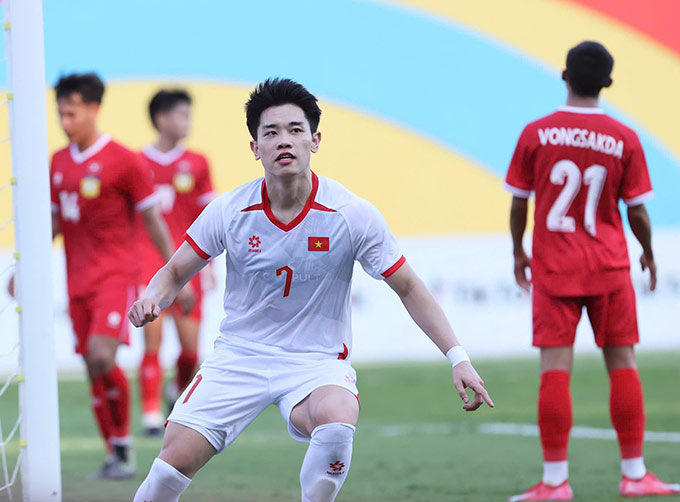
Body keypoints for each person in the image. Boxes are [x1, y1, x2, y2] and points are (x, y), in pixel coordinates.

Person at [130, 78, 494, 502]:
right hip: (239, 357)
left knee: (338, 419)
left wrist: (458, 357)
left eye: (295, 130)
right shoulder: (230, 210)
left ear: (315, 140)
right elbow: (175, 271)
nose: (284, 140)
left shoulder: (350, 213)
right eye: (271, 132)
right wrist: (153, 297)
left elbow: (409, 287)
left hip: (315, 362)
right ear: (255, 148)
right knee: (170, 466)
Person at [505, 42, 680, 501]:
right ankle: (635, 474)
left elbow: (520, 202)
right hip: (608, 266)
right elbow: (637, 210)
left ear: (564, 76)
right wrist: (648, 252)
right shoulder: (625, 137)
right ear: (608, 83)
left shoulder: (536, 133)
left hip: (554, 267)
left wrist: (518, 251)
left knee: (554, 371)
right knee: (622, 364)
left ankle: (555, 482)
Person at [49, 73, 194, 479]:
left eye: (72, 113)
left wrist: (176, 274)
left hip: (116, 276)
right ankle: (117, 450)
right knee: (90, 364)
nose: (65, 121)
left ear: (94, 109)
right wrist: (22, 270)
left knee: (101, 355)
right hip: (76, 281)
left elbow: (153, 220)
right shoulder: (57, 163)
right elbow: (54, 224)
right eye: (60, 113)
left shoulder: (125, 160)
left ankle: (126, 442)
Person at [137, 89, 217, 436]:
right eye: (182, 115)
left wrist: (211, 267)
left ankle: (176, 392)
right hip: (147, 263)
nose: (188, 122)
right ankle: (151, 413)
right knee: (151, 340)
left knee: (189, 351)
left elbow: (209, 217)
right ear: (161, 119)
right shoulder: (136, 162)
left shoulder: (198, 162)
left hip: (189, 264)